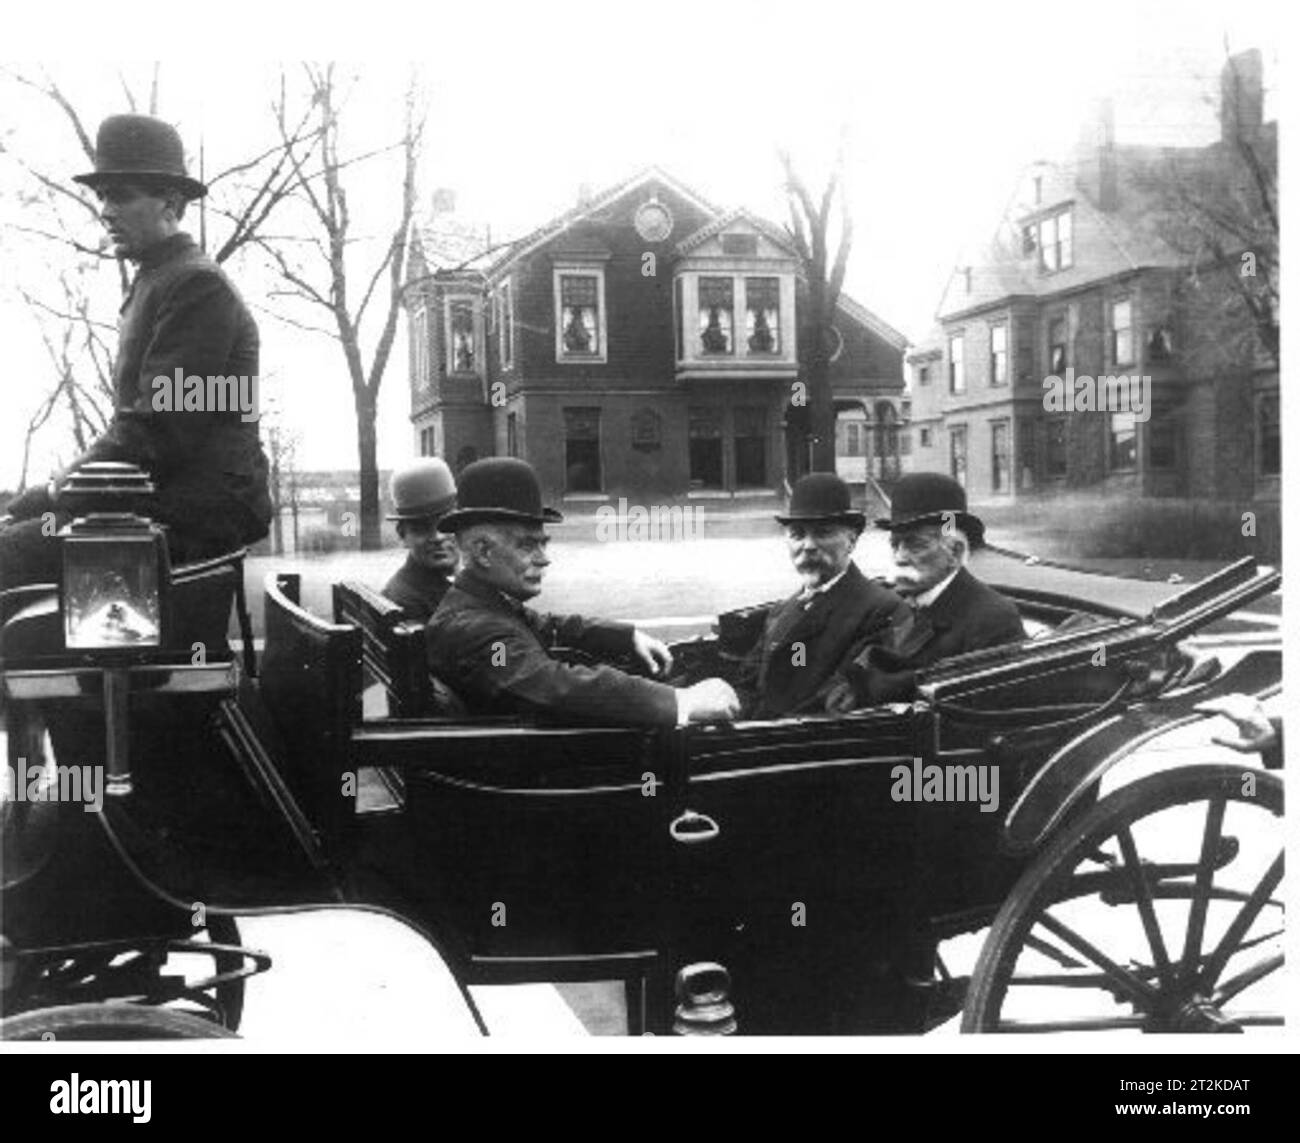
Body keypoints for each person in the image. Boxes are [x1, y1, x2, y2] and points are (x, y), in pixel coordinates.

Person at [1, 114, 271, 589]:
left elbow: (159, 431)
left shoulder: (196, 285)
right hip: (155, 501)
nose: (105, 211)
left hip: (192, 514)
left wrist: (53, 490)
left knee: (7, 555)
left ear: (170, 202)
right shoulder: (159, 280)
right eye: (102, 196)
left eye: (121, 195)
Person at [426, 458, 739, 726]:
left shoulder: (485, 604)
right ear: (482, 552)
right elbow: (553, 686)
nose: (544, 558)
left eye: (543, 543)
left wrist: (626, 637)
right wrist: (681, 701)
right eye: (527, 545)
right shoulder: (478, 633)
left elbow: (547, 626)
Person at [825, 472, 1025, 710]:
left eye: (914, 544)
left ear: (955, 552)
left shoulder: (992, 618)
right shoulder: (885, 601)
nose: (899, 557)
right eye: (895, 544)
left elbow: (964, 710)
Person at [739, 473, 908, 718]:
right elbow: (749, 685)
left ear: (851, 541)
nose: (808, 545)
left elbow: (838, 702)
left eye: (823, 533)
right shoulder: (782, 612)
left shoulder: (881, 612)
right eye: (798, 534)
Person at [381, 458, 458, 623]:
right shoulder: (409, 604)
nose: (438, 537)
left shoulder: (436, 586)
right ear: (403, 536)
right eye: (422, 529)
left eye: (446, 524)